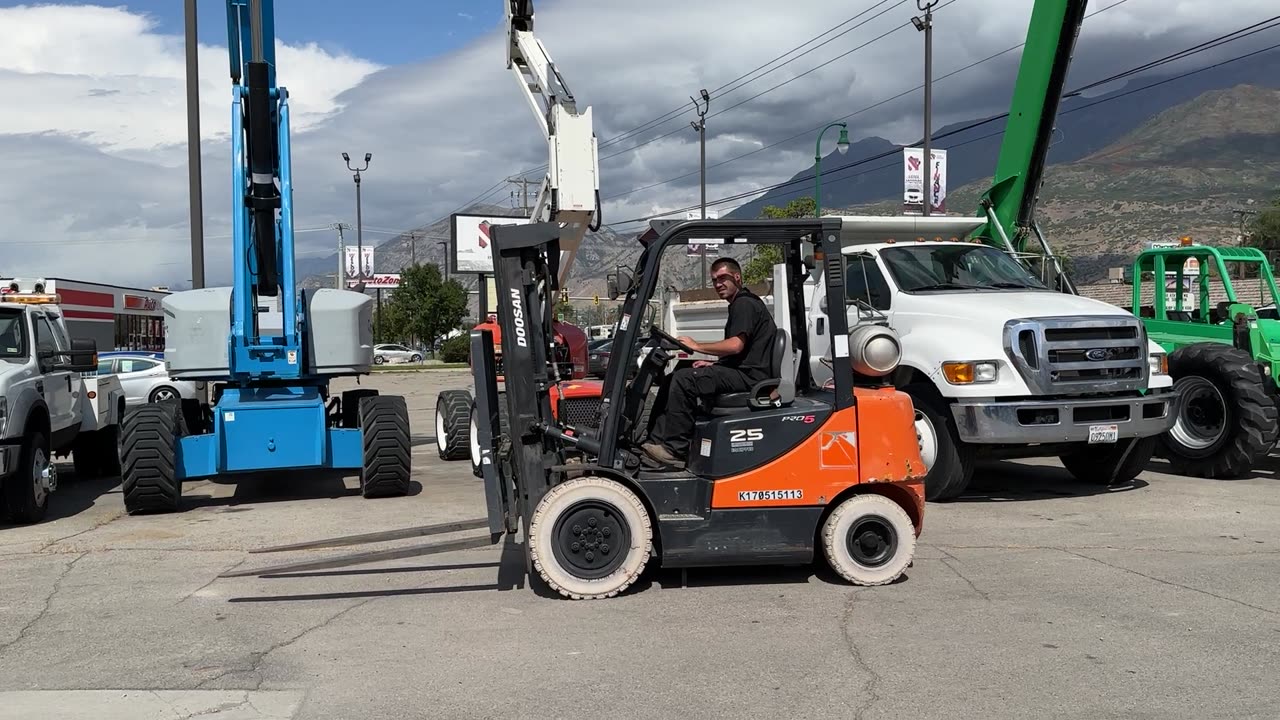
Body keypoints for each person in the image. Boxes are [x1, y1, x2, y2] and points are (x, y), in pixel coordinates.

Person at [641, 256, 777, 467]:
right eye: (714, 280)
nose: (718, 284)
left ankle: (675, 450)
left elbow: (735, 346)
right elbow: (741, 352)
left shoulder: (744, 304)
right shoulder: (741, 304)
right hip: (743, 371)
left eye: (723, 278)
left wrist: (697, 346)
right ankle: (655, 441)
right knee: (673, 377)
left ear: (737, 277)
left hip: (750, 378)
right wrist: (714, 365)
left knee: (684, 380)